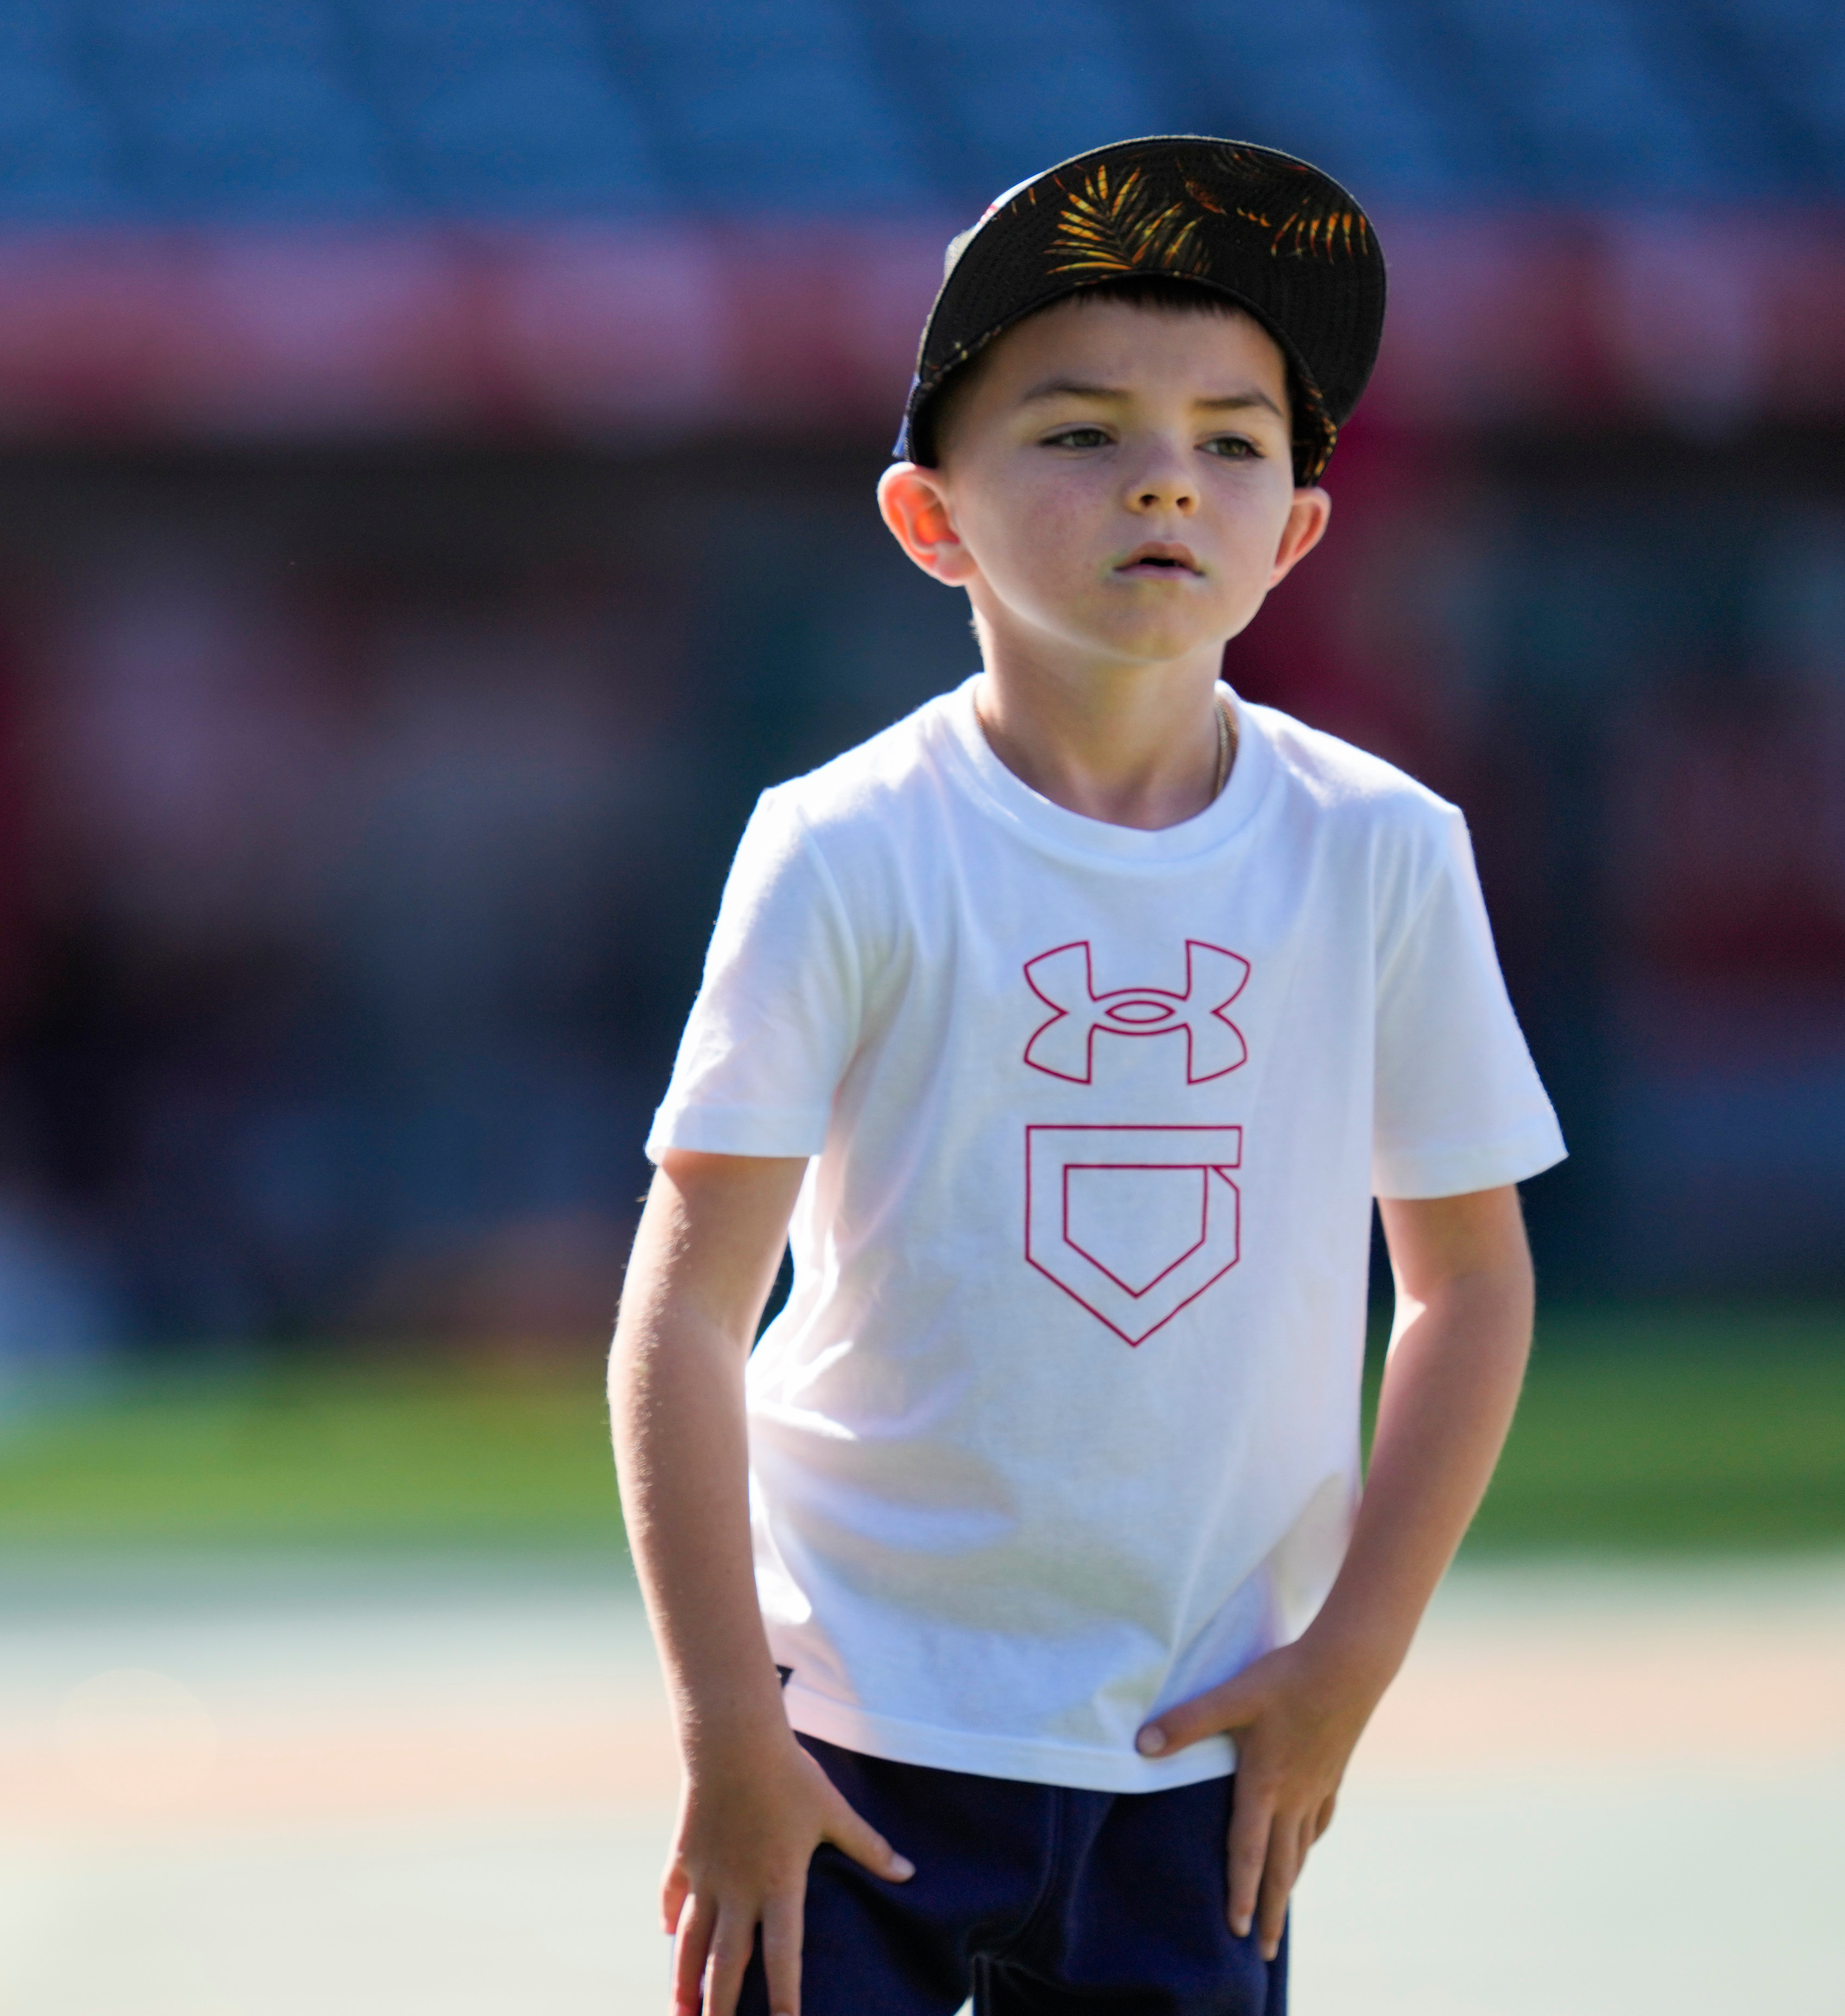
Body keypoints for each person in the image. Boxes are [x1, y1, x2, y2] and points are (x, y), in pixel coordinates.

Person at [610, 137, 1565, 2016]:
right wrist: (730, 1729)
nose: (1160, 473)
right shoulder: (840, 845)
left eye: (1228, 437)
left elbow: (1463, 1284)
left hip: (1190, 1757)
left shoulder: (1379, 848)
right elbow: (684, 1309)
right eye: (1074, 429)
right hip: (849, 1742)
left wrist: (1343, 1662)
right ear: (925, 517)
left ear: (1294, 524)